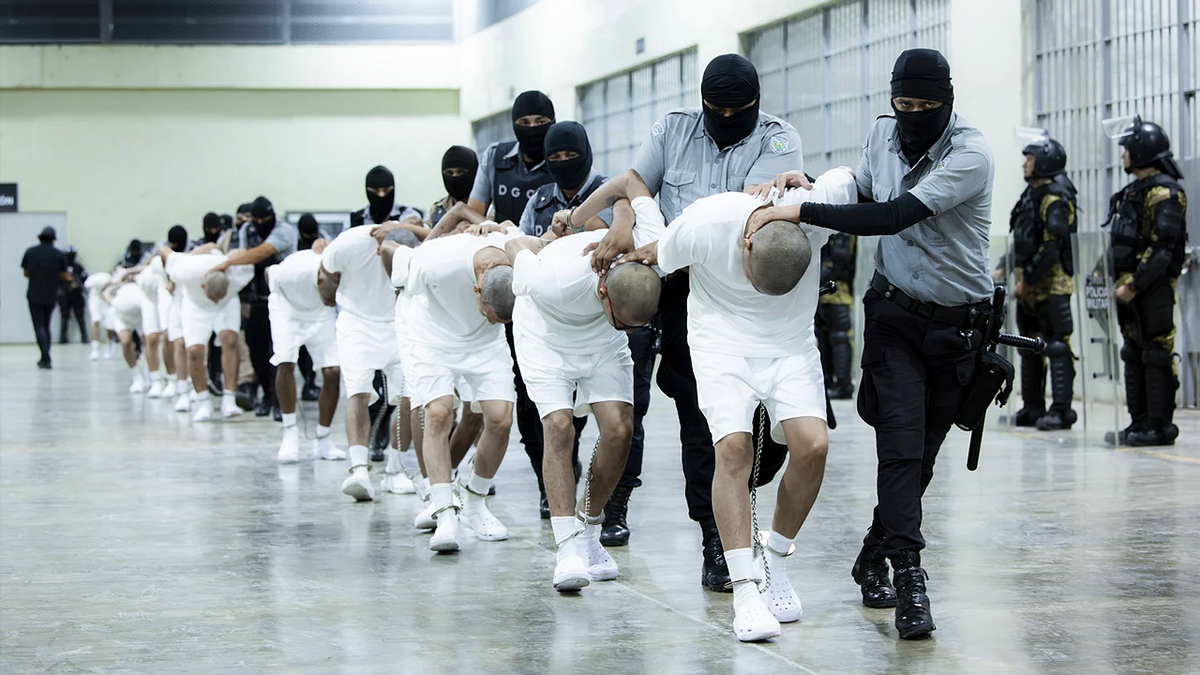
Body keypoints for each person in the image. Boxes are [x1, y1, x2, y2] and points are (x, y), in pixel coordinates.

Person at [751, 48, 994, 640]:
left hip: (957, 326)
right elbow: (864, 187)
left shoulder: (970, 154)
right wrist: (810, 182)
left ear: (947, 102)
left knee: (924, 460)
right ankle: (910, 577)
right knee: (902, 451)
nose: (910, 115)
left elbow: (892, 216)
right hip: (894, 318)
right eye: (902, 103)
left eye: (924, 106)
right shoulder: (884, 134)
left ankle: (871, 553)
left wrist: (800, 208)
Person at [567, 53, 803, 591]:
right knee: (706, 423)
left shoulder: (778, 138)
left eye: (736, 110)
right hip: (682, 294)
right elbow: (632, 185)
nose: (725, 117)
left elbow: (749, 213)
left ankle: (741, 506)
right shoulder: (672, 132)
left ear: (755, 103)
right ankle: (717, 541)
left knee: (769, 426)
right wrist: (621, 222)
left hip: (748, 295)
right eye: (715, 109)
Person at [618, 167, 853, 640]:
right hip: (721, 342)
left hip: (789, 344)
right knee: (733, 450)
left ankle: (777, 563)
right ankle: (745, 590)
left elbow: (850, 177)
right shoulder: (704, 223)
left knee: (813, 447)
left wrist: (805, 177)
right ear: (746, 246)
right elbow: (654, 254)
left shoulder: (817, 215)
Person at [508, 183, 664, 591]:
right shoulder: (549, 280)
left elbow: (628, 181)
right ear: (602, 291)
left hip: (600, 337)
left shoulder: (650, 244)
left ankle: (590, 532)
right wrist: (534, 237)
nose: (632, 332)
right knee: (559, 426)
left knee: (619, 428)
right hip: (544, 335)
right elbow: (515, 251)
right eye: (626, 324)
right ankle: (566, 549)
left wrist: (624, 220)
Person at [399, 224, 522, 552]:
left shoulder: (517, 250)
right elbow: (404, 280)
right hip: (432, 336)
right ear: (477, 287)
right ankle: (444, 514)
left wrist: (506, 225)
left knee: (500, 419)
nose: (495, 319)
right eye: (491, 314)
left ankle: (475, 502)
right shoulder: (435, 261)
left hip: (484, 344)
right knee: (438, 413)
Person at [1105, 116, 1189, 447]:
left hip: (1150, 288)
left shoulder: (1165, 192)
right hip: (1126, 286)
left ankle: (1158, 426)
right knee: (1132, 352)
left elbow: (1163, 248)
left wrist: (1134, 285)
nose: (1123, 154)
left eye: (1126, 148)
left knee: (1155, 353)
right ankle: (1138, 423)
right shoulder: (1133, 193)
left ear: (1142, 151)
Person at [317, 225, 417, 500]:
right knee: (358, 392)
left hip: (397, 322)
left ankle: (395, 470)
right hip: (356, 323)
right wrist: (329, 296)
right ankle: (359, 470)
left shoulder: (409, 241)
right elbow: (325, 271)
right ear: (377, 247)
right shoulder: (347, 243)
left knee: (410, 397)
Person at [1001, 136, 1078, 430]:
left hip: (1052, 287)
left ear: (1044, 161)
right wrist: (1001, 269)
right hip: (1028, 287)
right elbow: (1022, 242)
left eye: (1029, 159)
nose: (1024, 164)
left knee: (1057, 346)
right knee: (1028, 347)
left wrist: (1029, 280)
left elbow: (1051, 246)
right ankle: (1033, 407)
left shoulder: (1055, 198)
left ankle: (1061, 411)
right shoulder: (1030, 196)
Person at [212, 197, 299, 420]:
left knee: (279, 352)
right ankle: (267, 396)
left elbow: (263, 252)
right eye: (257, 219)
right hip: (258, 299)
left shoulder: (285, 231)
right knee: (256, 350)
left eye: (264, 219)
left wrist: (229, 262)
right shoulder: (247, 230)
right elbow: (244, 256)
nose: (260, 223)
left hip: (284, 299)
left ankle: (282, 402)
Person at [267, 245, 345, 463]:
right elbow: (268, 273)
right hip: (286, 309)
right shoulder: (290, 273)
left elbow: (331, 301)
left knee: (332, 372)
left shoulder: (335, 271)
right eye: (331, 296)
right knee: (285, 363)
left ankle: (324, 439)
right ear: (320, 281)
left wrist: (328, 302)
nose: (333, 300)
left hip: (320, 314)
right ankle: (289, 433)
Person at [161, 244, 254, 422]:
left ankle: (229, 399)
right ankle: (203, 401)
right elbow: (163, 250)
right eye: (213, 297)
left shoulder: (239, 273)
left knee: (230, 340)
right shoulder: (185, 269)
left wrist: (232, 256)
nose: (215, 301)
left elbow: (247, 254)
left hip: (227, 305)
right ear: (203, 285)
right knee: (194, 351)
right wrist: (189, 255)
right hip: (195, 304)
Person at [22, 226, 71, 369]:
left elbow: (26, 273)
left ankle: (45, 357)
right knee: (46, 325)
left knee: (39, 326)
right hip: (51, 294)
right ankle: (45, 356)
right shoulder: (59, 255)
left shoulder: (30, 252)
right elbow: (64, 275)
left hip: (34, 294)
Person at [816, 234, 857, 399]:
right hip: (825, 288)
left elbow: (839, 259)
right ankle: (828, 380)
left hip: (838, 289)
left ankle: (843, 384)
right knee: (823, 334)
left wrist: (817, 280)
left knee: (840, 336)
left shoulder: (842, 226)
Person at [104, 281, 153, 393]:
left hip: (140, 315)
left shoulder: (139, 284)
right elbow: (105, 293)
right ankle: (136, 376)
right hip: (122, 316)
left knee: (148, 344)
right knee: (125, 343)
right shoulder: (116, 285)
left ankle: (149, 372)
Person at [427, 146, 480, 233]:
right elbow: (430, 234)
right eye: (449, 173)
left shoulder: (489, 208)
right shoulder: (438, 209)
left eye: (461, 172)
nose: (455, 177)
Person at [58, 247, 89, 344]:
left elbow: (85, 279)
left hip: (77, 295)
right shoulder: (61, 268)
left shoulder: (78, 267)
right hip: (65, 295)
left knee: (80, 316)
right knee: (64, 317)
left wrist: (78, 285)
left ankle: (84, 337)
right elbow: (57, 280)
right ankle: (63, 338)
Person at [84, 270, 117, 361]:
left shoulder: (113, 279)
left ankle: (110, 346)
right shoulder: (98, 277)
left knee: (109, 325)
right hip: (95, 300)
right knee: (95, 321)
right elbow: (87, 284)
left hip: (107, 301)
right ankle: (95, 349)